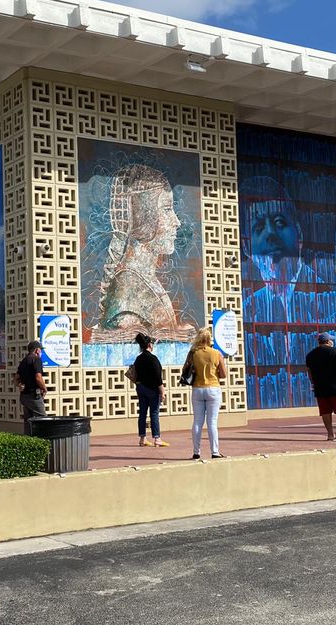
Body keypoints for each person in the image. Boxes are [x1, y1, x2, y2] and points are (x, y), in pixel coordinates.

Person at [97, 164, 193, 339]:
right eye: (167, 209)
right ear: (142, 216)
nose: (176, 221)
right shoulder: (127, 287)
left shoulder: (145, 279)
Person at [241, 191, 317, 324]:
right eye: (259, 227)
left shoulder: (332, 303)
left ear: (299, 233)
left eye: (279, 222)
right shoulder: (246, 310)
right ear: (246, 246)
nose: (270, 233)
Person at [305, 333, 336, 441]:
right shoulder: (334, 351)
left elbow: (309, 371)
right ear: (328, 341)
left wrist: (313, 382)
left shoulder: (310, 354)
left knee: (325, 411)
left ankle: (330, 434)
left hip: (320, 387)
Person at [188, 327, 227, 459]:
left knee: (197, 421)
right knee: (212, 422)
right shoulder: (216, 353)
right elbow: (224, 374)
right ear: (209, 338)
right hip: (213, 388)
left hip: (197, 389)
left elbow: (187, 370)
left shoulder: (193, 353)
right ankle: (215, 452)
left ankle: (196, 452)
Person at [132, 332, 168, 447]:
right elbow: (158, 377)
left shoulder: (138, 359)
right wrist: (162, 391)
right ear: (149, 345)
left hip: (141, 388)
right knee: (154, 413)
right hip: (152, 390)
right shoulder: (153, 359)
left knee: (142, 413)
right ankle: (157, 439)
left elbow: (133, 374)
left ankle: (142, 438)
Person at [15, 340, 47, 436]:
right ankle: (45, 440)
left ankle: (29, 440)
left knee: (28, 421)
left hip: (24, 396)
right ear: (37, 350)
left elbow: (16, 378)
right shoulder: (36, 359)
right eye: (40, 350)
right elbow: (38, 377)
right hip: (34, 396)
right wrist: (44, 388)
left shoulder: (24, 361)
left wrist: (19, 385)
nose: (41, 352)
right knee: (43, 419)